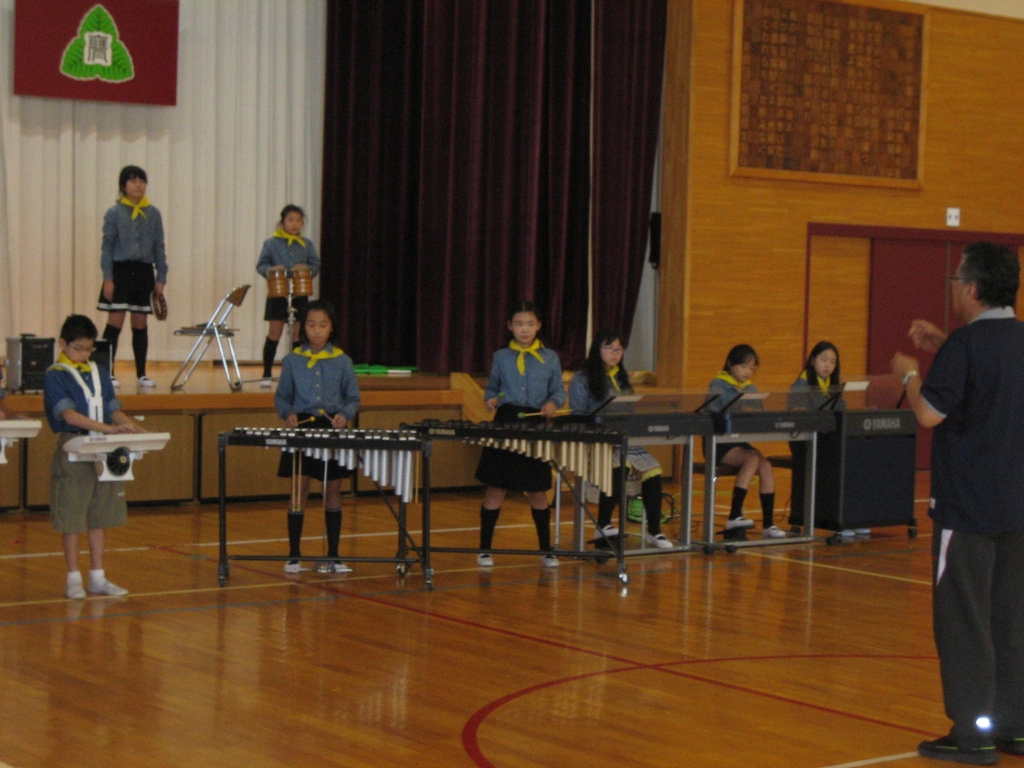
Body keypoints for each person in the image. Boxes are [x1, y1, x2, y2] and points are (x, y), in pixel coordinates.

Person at [891, 241, 1024, 765]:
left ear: (971, 288)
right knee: (1011, 618)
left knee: (964, 620)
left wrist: (909, 372)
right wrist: (945, 345)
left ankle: (972, 734)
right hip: (1018, 508)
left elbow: (928, 413)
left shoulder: (967, 346)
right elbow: (995, 375)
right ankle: (1013, 726)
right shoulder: (1013, 341)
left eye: (955, 280)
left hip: (968, 510)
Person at [43, 314, 147, 599]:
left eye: (89, 349)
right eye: (78, 348)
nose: (85, 354)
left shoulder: (99, 371)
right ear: (63, 344)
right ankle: (73, 578)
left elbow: (112, 408)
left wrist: (132, 428)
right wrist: (109, 429)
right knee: (72, 517)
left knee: (100, 516)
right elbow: (69, 415)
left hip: (103, 447)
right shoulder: (56, 374)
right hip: (75, 446)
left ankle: (98, 577)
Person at [475, 301, 565, 568]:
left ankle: (546, 550)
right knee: (496, 487)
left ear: (538, 326)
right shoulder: (501, 356)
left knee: (537, 490)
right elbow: (492, 388)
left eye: (529, 324)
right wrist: (491, 399)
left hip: (535, 424)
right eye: (519, 324)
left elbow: (558, 392)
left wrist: (553, 404)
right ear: (510, 327)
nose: (524, 329)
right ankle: (484, 549)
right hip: (506, 422)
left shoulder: (550, 358)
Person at [274, 299, 360, 574]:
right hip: (302, 429)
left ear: (331, 327)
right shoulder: (292, 360)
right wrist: (287, 413)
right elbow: (282, 397)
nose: (317, 330)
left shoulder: (343, 361)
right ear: (303, 327)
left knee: (332, 493)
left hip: (332, 430)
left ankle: (333, 555)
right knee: (299, 491)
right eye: (311, 325)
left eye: (323, 325)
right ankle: (294, 555)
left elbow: (353, 398)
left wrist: (345, 415)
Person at [568, 330, 672, 548]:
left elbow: (630, 410)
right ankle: (603, 524)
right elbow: (577, 413)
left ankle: (655, 530)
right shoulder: (582, 377)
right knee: (619, 465)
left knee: (653, 470)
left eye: (619, 349)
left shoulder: (621, 378)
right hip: (597, 440)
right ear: (597, 349)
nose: (615, 354)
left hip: (623, 439)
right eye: (609, 349)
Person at [97, 165, 168, 388]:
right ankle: (106, 372)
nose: (138, 185)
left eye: (142, 180)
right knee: (115, 321)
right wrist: (108, 278)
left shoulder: (153, 213)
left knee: (140, 323)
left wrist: (161, 277)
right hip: (121, 271)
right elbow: (107, 247)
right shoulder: (114, 212)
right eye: (133, 181)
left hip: (144, 271)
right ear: (123, 186)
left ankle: (141, 374)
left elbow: (159, 246)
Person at [785, 341, 863, 536]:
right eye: (824, 359)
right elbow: (800, 417)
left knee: (856, 456)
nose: (828, 365)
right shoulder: (801, 385)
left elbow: (841, 409)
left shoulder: (832, 386)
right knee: (838, 460)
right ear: (813, 360)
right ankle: (835, 519)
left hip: (829, 440)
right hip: (806, 442)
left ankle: (851, 516)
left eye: (833, 362)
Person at [705, 344, 782, 538]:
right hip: (719, 442)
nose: (747, 372)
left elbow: (758, 414)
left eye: (751, 369)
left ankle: (769, 524)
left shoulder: (751, 388)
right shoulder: (718, 385)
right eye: (743, 367)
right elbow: (711, 416)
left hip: (740, 441)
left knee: (765, 464)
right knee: (752, 459)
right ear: (730, 364)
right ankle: (734, 515)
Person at [256, 205, 321, 386]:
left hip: (299, 293)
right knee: (274, 334)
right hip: (278, 294)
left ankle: (296, 374)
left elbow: (315, 265)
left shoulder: (307, 244)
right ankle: (267, 374)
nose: (294, 224)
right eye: (291, 220)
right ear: (283, 222)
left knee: (298, 335)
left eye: (298, 220)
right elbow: (261, 265)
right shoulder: (271, 243)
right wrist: (271, 270)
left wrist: (307, 269)